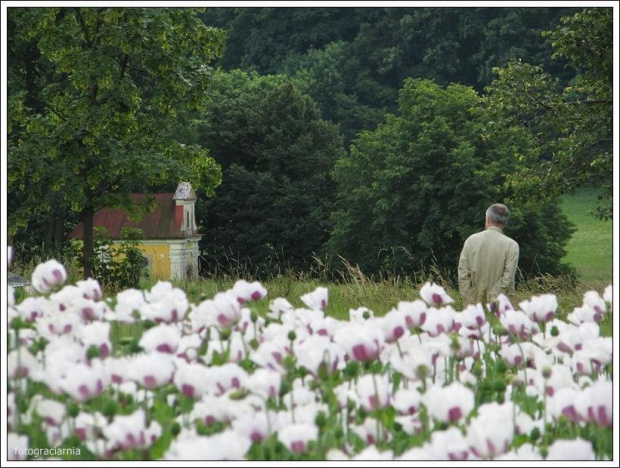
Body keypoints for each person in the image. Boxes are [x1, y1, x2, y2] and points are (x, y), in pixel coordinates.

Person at [458, 203, 519, 306]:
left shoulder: (471, 240)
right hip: (500, 305)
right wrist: (493, 296)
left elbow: (463, 273)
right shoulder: (512, 245)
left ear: (488, 219)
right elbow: (508, 278)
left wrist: (469, 297)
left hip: (473, 304)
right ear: (505, 222)